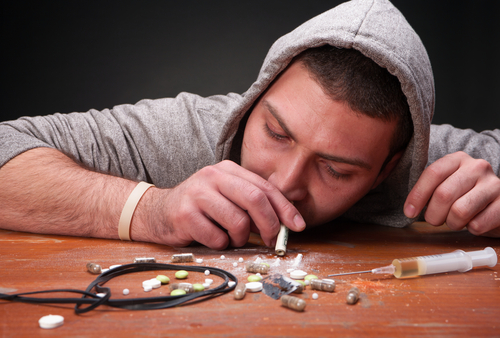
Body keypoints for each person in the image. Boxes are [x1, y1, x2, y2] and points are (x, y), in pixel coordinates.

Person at [0, 0, 499, 250]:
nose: (281, 183)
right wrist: (152, 210)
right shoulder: (193, 131)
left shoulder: (434, 168)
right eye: (276, 134)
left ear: (391, 165)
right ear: (254, 100)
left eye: (337, 170)